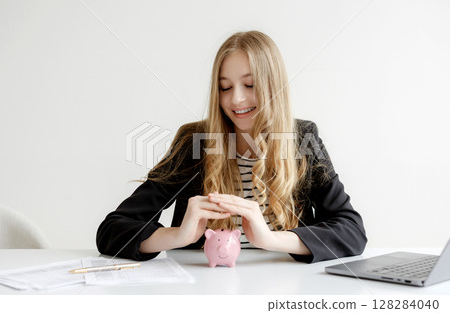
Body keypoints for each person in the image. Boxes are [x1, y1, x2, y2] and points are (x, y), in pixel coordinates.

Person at [96, 30, 367, 263]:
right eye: (225, 88)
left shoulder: (303, 139)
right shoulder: (194, 142)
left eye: (250, 85)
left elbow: (352, 231)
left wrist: (271, 240)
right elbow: (111, 231)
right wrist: (178, 235)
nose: (236, 99)